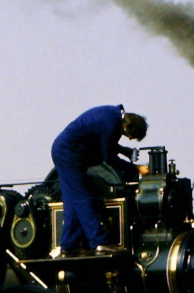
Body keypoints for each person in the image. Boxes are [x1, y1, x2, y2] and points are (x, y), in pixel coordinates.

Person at [51, 105, 147, 255]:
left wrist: (124, 151)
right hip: (69, 154)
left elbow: (101, 139)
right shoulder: (111, 123)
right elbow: (108, 157)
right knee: (84, 198)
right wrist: (136, 168)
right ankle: (100, 242)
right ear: (127, 127)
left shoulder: (112, 115)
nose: (128, 138)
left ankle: (69, 245)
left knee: (72, 201)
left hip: (66, 151)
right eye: (129, 136)